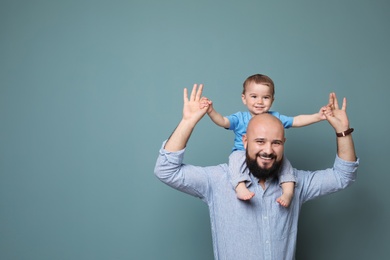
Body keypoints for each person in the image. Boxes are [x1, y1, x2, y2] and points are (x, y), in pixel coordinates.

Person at [154, 84, 358, 260]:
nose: (268, 150)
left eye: (276, 143)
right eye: (260, 141)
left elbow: (343, 176)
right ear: (244, 141)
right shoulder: (217, 180)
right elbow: (166, 170)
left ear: (283, 143)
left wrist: (343, 132)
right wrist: (187, 122)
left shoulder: (295, 182)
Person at [200, 74, 329, 206]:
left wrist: (317, 116)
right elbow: (222, 121)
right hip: (242, 152)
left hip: (269, 157)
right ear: (244, 98)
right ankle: (240, 187)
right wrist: (211, 111)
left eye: (265, 97)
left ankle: (288, 191)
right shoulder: (239, 118)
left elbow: (296, 120)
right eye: (254, 96)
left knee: (285, 165)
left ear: (272, 100)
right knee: (235, 160)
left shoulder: (275, 118)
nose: (260, 102)